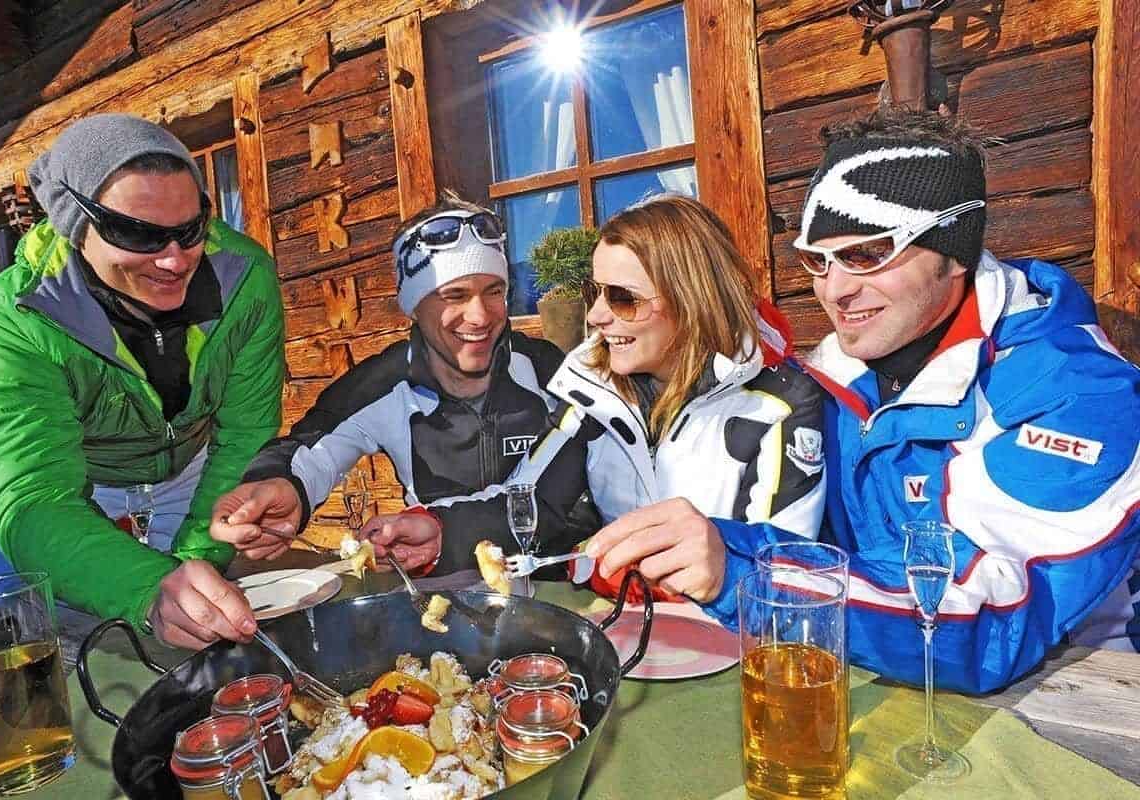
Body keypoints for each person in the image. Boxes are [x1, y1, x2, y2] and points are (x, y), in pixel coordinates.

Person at [589, 108, 1140, 693]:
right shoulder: (833, 377)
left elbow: (990, 622)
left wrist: (738, 567)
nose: (835, 290)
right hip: (886, 681)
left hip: (1074, 703)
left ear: (954, 250)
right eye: (818, 260)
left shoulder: (1076, 392)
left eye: (867, 254)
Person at [361, 194, 827, 606]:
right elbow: (531, 501)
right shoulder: (593, 386)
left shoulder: (778, 402)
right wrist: (440, 533)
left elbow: (786, 575)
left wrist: (652, 575)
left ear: (692, 299)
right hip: (627, 635)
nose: (598, 315)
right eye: (595, 291)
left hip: (733, 647)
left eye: (623, 298)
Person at [0, 113, 285, 650]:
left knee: (196, 644)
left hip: (196, 481)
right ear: (73, 223)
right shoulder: (10, 325)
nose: (174, 260)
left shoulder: (244, 277)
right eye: (137, 233)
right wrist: (147, 586)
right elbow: (33, 495)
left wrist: (198, 557)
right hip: (76, 499)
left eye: (190, 229)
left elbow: (245, 432)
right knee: (59, 663)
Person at [211, 193, 583, 573]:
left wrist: (444, 531)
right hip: (440, 595)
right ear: (414, 306)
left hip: (555, 588)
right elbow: (311, 449)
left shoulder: (545, 370)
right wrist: (281, 486)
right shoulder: (383, 384)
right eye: (454, 295)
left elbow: (559, 491)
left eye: (495, 291)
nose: (480, 316)